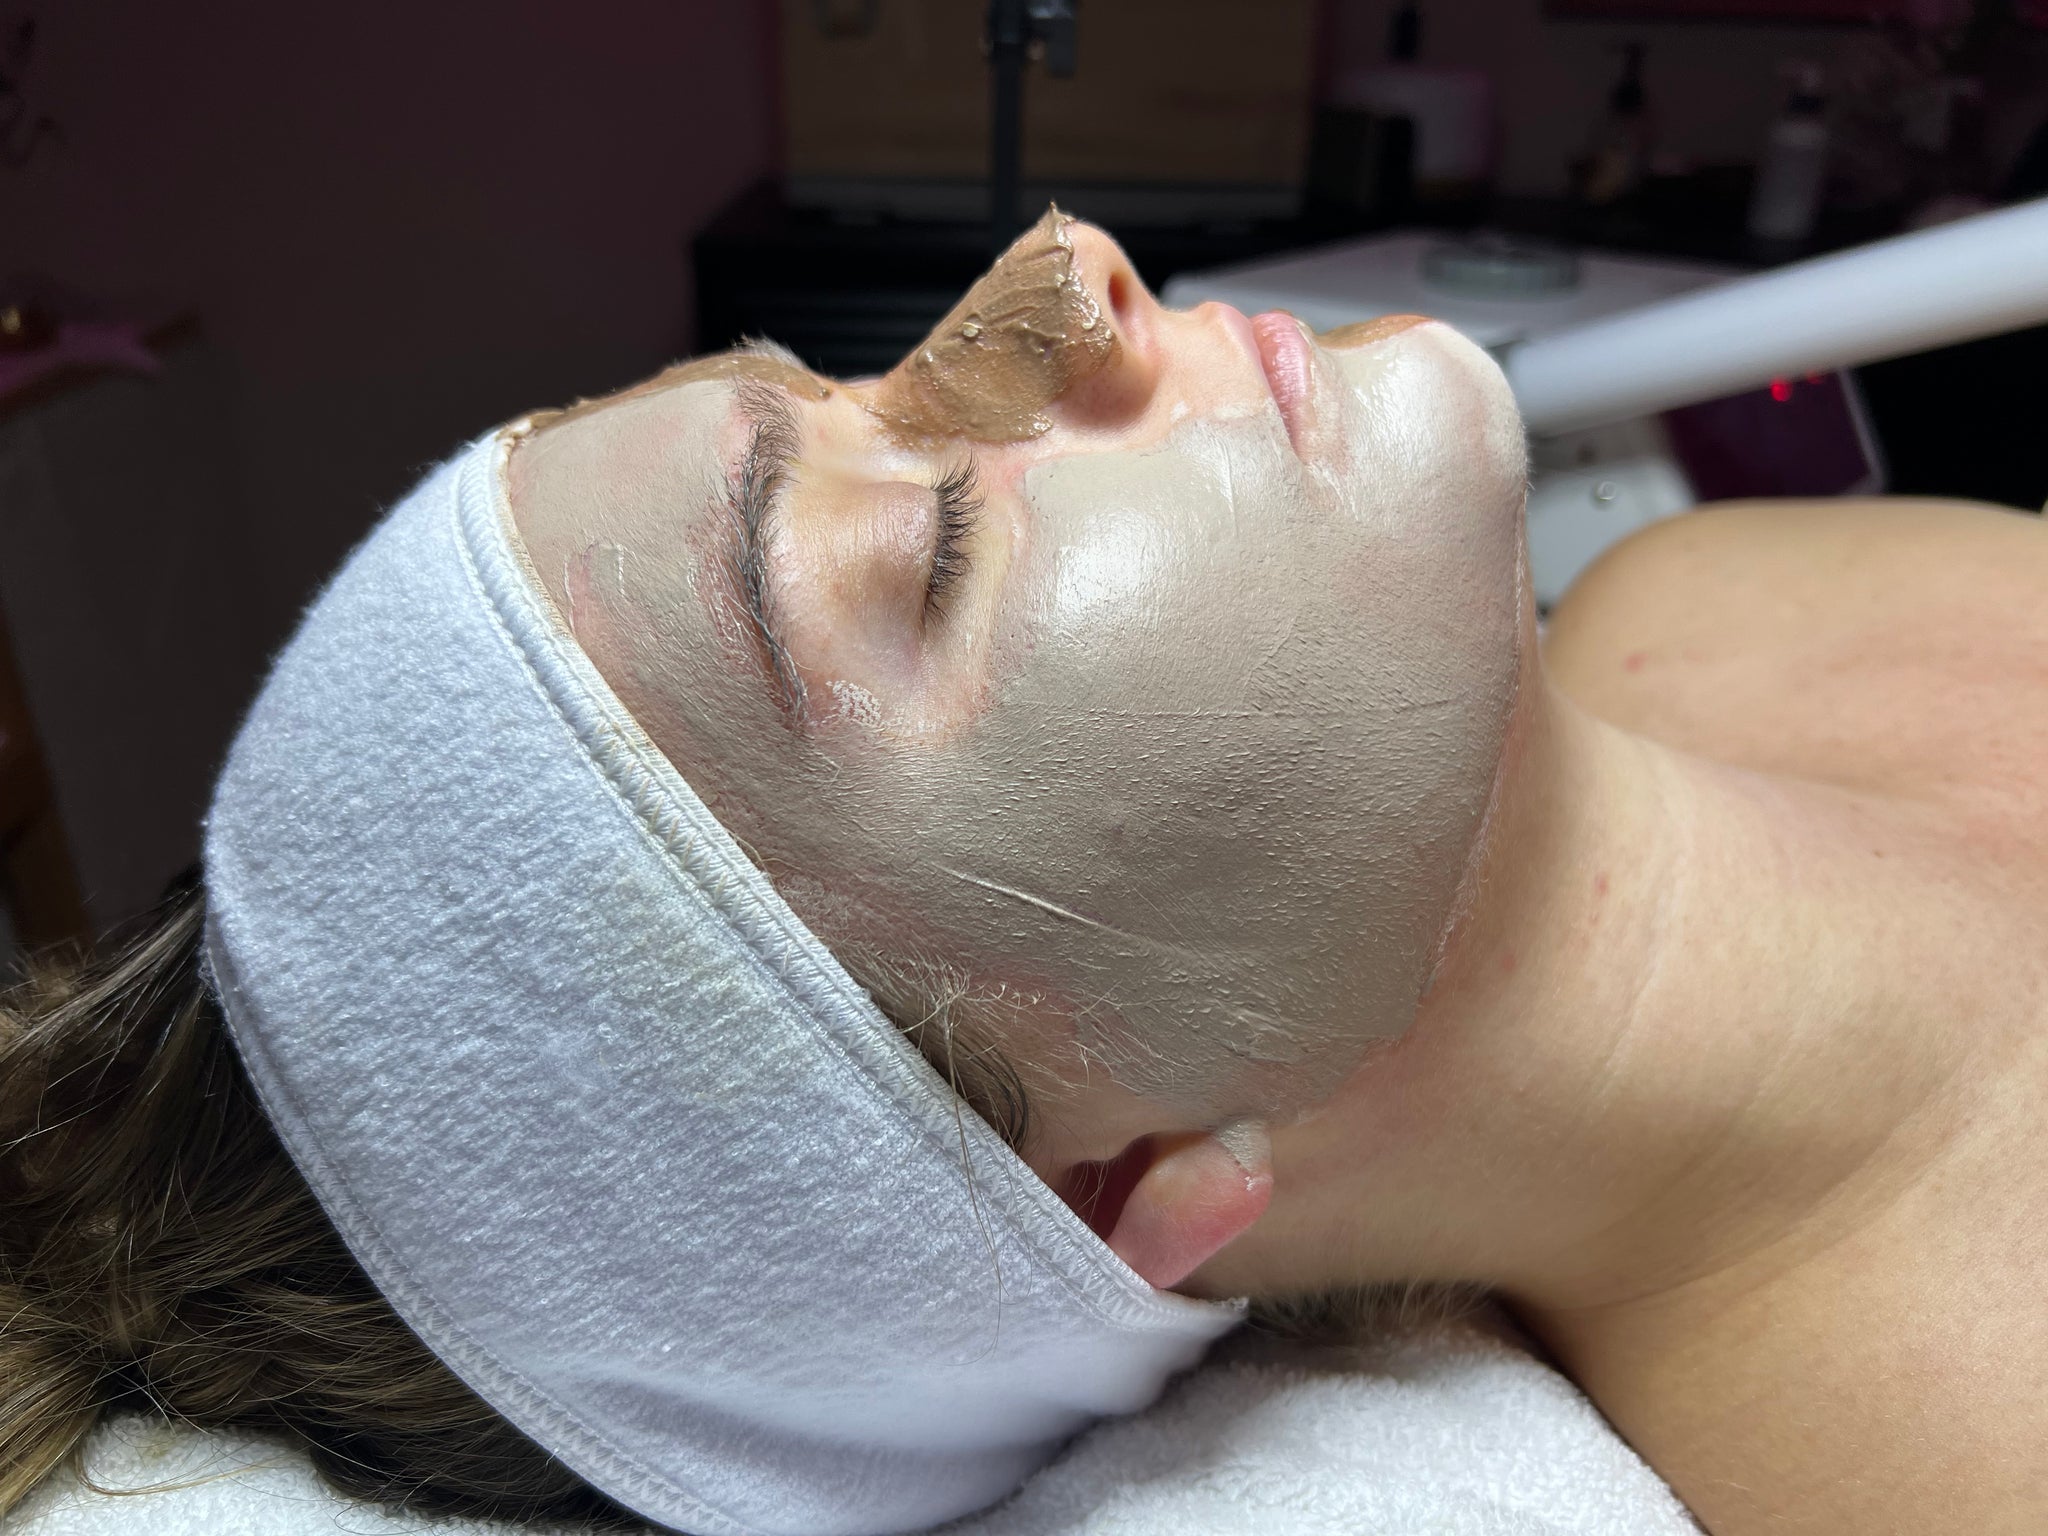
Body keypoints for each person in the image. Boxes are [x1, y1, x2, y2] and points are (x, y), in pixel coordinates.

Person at [2, 209, 2044, 1536]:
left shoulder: (1722, 590)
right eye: (935, 547)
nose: (1063, 272)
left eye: (842, 389)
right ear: (1115, 1184)